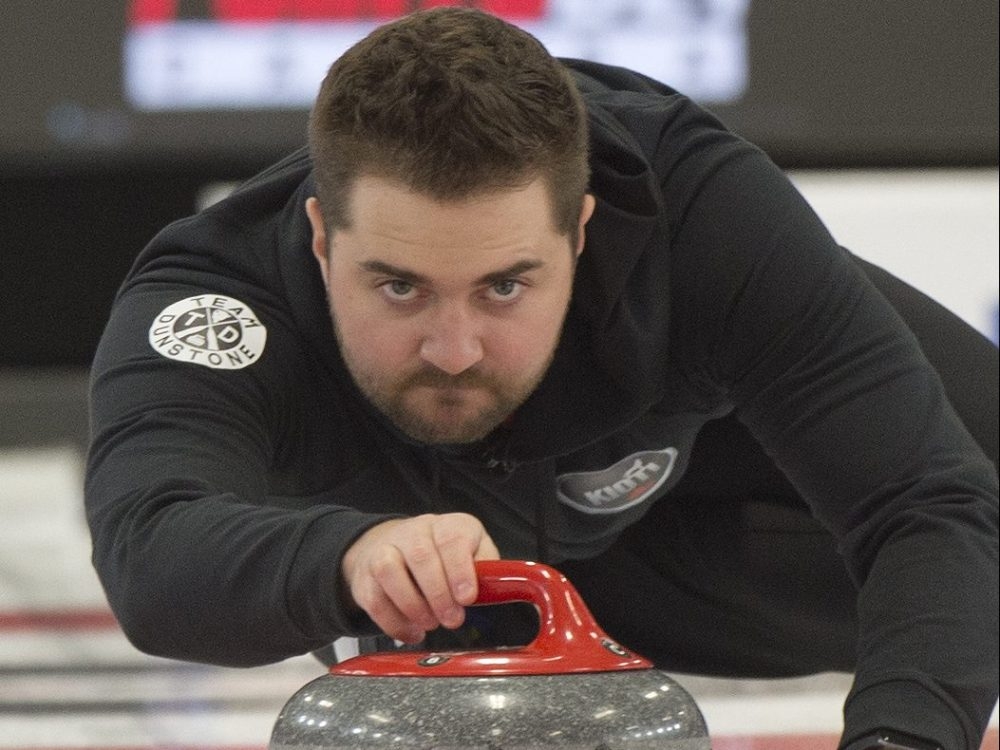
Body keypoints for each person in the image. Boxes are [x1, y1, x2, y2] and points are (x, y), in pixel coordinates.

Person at [85, 7, 998, 749]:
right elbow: (151, 546)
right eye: (398, 286)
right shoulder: (219, 299)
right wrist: (344, 558)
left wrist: (904, 738)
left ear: (583, 231)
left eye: (505, 285)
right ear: (322, 239)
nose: (454, 348)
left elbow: (924, 497)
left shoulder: (706, 219)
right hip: (449, 594)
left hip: (704, 498)